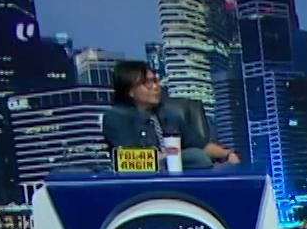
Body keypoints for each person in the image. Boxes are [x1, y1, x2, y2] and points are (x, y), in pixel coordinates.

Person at [101, 61, 238, 169]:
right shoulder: (116, 117)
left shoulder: (168, 113)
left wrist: (227, 154)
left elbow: (200, 145)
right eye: (147, 83)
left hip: (179, 176)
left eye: (155, 81)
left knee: (199, 157)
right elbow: (126, 160)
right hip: (143, 184)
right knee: (196, 157)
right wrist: (169, 156)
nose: (155, 87)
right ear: (130, 91)